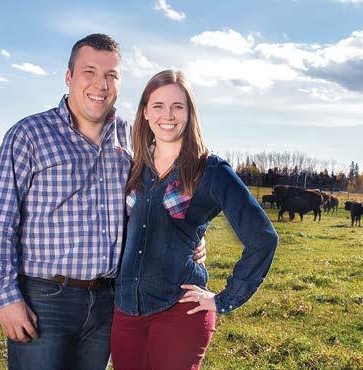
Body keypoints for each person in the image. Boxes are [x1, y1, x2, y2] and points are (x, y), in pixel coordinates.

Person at [0, 34, 205, 370]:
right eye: (90, 72)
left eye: (111, 75)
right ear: (69, 77)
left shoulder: (134, 138)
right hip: (44, 298)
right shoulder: (29, 134)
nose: (100, 84)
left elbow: (169, 188)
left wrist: (194, 232)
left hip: (108, 301)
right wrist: (7, 298)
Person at [110, 70, 278, 369]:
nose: (168, 115)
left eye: (178, 106)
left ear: (189, 113)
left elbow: (262, 236)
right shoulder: (136, 166)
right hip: (126, 310)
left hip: (179, 310)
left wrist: (225, 298)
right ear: (145, 112)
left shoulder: (210, 169)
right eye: (158, 105)